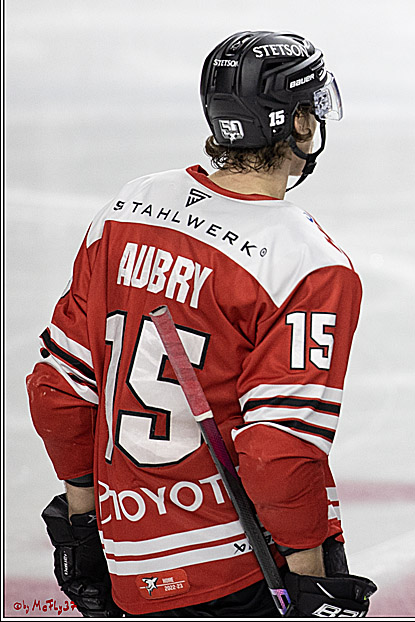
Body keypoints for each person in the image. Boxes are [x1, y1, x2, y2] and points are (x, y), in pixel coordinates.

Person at [27, 30, 376, 617]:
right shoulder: (306, 261)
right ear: (297, 122)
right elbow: (278, 449)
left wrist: (81, 524)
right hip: (241, 567)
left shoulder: (130, 207)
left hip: (127, 557)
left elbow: (59, 389)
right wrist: (311, 578)